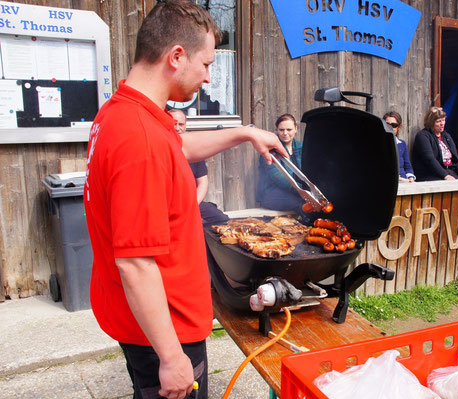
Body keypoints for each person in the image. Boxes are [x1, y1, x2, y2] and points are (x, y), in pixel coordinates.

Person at [83, 2, 287, 399]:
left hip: (143, 323)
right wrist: (172, 357)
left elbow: (179, 146)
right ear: (176, 56)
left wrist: (245, 132)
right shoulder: (139, 139)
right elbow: (136, 263)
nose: (209, 78)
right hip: (166, 331)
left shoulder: (123, 113)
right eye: (207, 64)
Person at [169, 109, 229, 225]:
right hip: (167, 204)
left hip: (191, 201)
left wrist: (193, 205)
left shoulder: (194, 149)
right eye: (173, 124)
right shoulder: (160, 147)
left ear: (185, 126)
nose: (177, 128)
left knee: (221, 219)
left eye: (181, 124)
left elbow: (203, 183)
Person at [256, 113, 304, 214]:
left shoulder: (302, 147)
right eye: (281, 130)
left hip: (298, 191)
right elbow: (279, 178)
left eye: (289, 129)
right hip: (273, 193)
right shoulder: (270, 151)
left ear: (296, 128)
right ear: (277, 130)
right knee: (301, 204)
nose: (285, 133)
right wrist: (304, 192)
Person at [411, 106, 458, 181]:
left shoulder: (446, 136)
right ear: (431, 122)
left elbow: (455, 158)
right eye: (438, 121)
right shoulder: (423, 136)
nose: (442, 123)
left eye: (443, 120)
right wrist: (445, 175)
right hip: (430, 175)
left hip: (448, 173)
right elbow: (430, 160)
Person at [383, 111, 415, 182]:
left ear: (399, 127)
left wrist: (410, 178)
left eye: (394, 125)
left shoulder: (402, 144)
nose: (390, 127)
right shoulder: (379, 144)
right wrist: (400, 179)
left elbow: (407, 166)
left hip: (405, 182)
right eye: (387, 124)